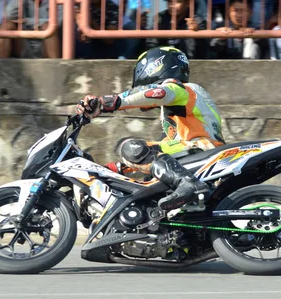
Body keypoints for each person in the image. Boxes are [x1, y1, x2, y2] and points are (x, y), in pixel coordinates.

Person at [75, 47, 224, 211]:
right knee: (149, 170)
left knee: (129, 147)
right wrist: (112, 169)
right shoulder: (178, 111)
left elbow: (158, 93)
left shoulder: (182, 89)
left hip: (202, 149)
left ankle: (187, 183)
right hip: (196, 152)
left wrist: (107, 103)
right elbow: (158, 152)